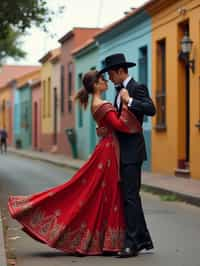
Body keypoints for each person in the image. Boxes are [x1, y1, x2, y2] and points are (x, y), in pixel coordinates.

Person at [8, 70, 142, 256]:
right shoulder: (102, 104)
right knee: (103, 193)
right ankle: (105, 241)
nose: (106, 82)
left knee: (97, 193)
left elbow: (107, 125)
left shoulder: (99, 104)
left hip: (107, 148)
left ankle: (106, 240)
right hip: (108, 152)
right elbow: (119, 125)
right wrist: (127, 104)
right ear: (96, 85)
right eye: (103, 80)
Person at [99, 53, 156, 258]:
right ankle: (142, 239)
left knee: (130, 198)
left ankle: (132, 244)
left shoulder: (136, 88)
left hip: (133, 152)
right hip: (121, 151)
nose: (110, 78)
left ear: (120, 71)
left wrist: (130, 100)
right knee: (130, 197)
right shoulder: (117, 91)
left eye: (111, 74)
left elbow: (151, 109)